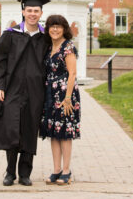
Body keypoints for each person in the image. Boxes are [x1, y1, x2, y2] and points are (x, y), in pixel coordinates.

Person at [0, 0, 50, 186]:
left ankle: (25, 173)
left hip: (35, 91)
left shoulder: (45, 38)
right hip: (12, 89)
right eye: (29, 11)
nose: (33, 14)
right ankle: (10, 172)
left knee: (29, 129)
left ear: (41, 12)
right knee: (12, 129)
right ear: (23, 12)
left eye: (36, 11)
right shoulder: (11, 35)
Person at [39, 14, 81, 185]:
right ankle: (56, 170)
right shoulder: (49, 47)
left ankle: (66, 171)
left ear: (64, 29)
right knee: (53, 133)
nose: (55, 29)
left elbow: (72, 73)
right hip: (50, 94)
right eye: (52, 26)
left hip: (65, 95)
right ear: (48, 29)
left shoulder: (68, 47)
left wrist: (68, 98)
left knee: (64, 133)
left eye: (58, 26)